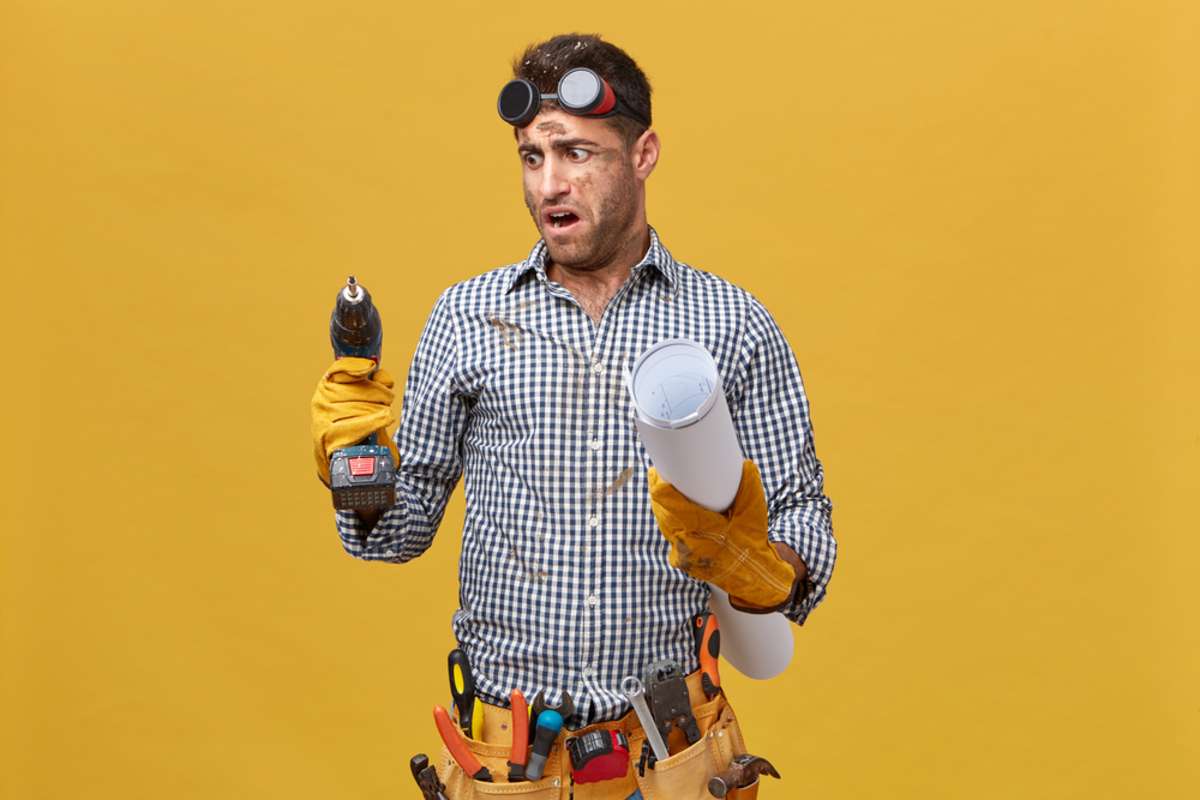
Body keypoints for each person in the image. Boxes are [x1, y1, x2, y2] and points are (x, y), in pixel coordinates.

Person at [311, 33, 836, 800]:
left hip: (674, 763)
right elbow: (393, 535)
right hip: (508, 769)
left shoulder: (731, 323)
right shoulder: (468, 317)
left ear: (643, 153)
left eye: (577, 155)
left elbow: (805, 513)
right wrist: (354, 459)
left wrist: (762, 571)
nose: (549, 184)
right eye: (532, 157)